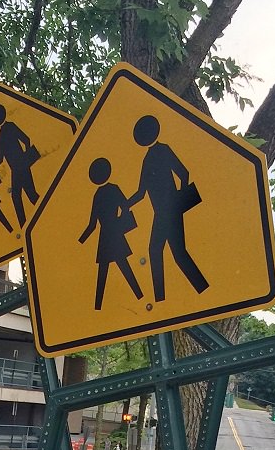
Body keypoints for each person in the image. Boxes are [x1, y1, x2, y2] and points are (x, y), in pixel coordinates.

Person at [128, 114, 208, 302]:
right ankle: (163, 298)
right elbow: (141, 192)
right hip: (161, 213)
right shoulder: (147, 159)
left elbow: (183, 173)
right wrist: (125, 206)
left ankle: (173, 296)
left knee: (169, 252)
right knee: (165, 252)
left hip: (169, 211)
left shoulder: (163, 150)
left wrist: (178, 200)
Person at [78, 157, 143, 311]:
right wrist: (120, 221)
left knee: (104, 270)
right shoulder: (114, 189)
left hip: (105, 236)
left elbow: (92, 224)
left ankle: (98, 306)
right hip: (115, 232)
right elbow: (125, 206)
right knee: (122, 266)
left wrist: (81, 241)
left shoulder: (97, 195)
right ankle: (139, 295)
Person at [0, 103, 41, 227]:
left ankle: (32, 222)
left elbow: (26, 140)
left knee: (28, 196)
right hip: (17, 169)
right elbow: (1, 158)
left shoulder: (8, 128)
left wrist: (25, 159)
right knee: (21, 196)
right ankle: (25, 227)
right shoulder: (3, 132)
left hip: (20, 168)